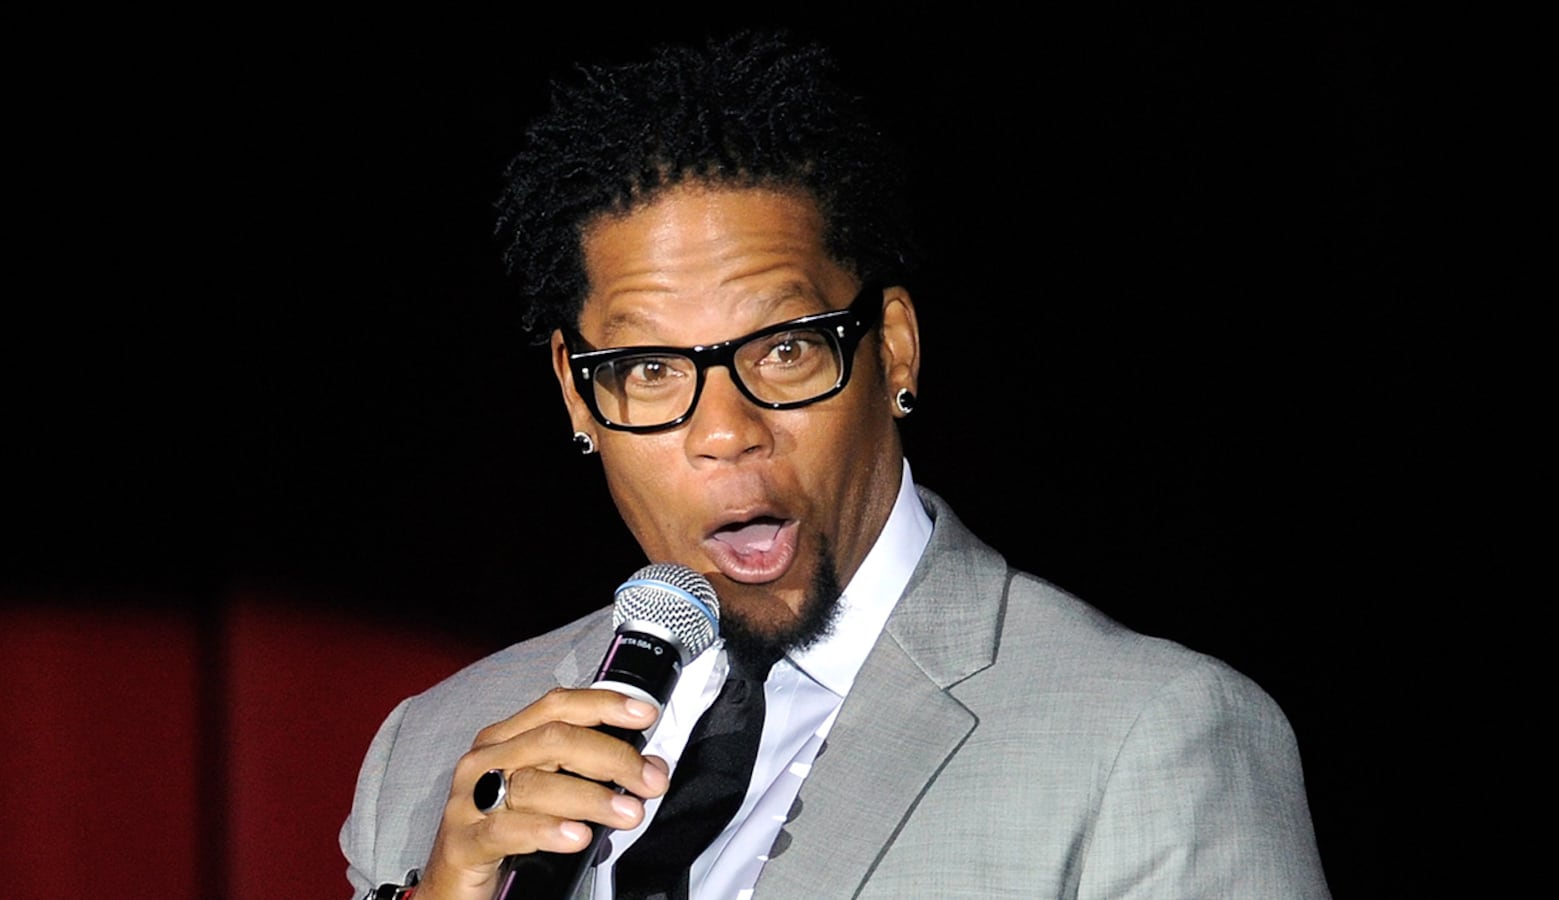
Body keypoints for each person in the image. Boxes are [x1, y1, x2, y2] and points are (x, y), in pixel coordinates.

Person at [341, 30, 1331, 899]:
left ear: (891, 348)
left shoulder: (1148, 740)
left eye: (783, 349)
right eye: (648, 368)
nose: (724, 430)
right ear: (576, 395)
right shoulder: (434, 755)